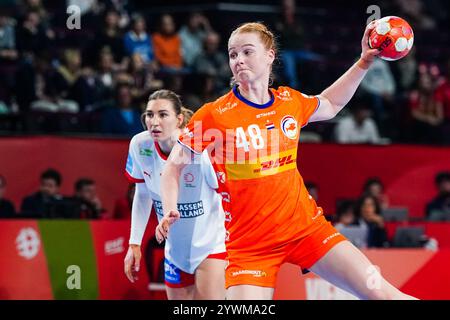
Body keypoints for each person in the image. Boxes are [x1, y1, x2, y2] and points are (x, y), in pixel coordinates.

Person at [160, 21, 416, 300]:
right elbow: (173, 165)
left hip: (306, 230)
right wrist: (171, 208)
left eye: (247, 52)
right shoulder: (214, 114)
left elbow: (329, 104)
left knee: (385, 295)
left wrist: (364, 62)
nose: (238, 60)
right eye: (233, 55)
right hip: (250, 247)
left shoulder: (288, 103)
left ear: (270, 55)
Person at [123, 89, 226, 300]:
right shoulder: (139, 145)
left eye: (163, 114)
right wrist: (134, 243)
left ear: (179, 119)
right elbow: (142, 195)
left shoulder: (199, 148)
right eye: (149, 115)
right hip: (175, 251)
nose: (154, 121)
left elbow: (223, 193)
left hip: (211, 245)